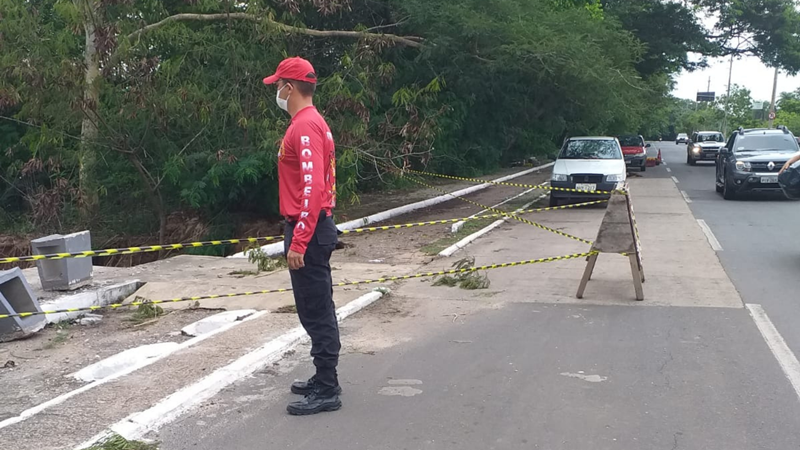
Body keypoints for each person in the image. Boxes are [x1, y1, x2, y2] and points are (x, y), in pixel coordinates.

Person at [263, 57, 342, 416]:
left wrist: (300, 240)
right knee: (315, 307)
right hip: (312, 225)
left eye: (278, 85)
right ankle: (322, 377)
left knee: (316, 310)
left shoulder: (304, 127)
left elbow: (312, 189)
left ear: (290, 88)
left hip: (306, 228)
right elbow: (327, 184)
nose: (276, 92)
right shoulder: (313, 123)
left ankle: (328, 387)